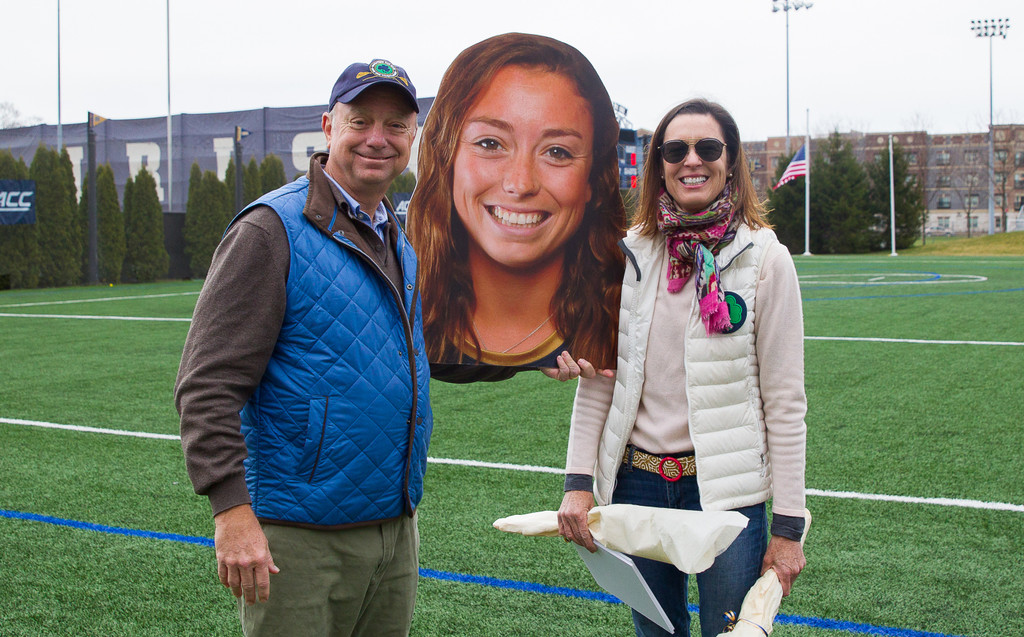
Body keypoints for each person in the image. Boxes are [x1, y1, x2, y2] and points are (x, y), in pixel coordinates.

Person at [174, 59, 430, 637]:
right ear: (328, 126)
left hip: (393, 526)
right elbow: (206, 385)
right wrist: (232, 512)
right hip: (298, 534)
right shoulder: (271, 228)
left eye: (395, 125)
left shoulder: (396, 230)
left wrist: (533, 355)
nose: (377, 138)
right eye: (359, 120)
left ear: (412, 136)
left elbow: (412, 354)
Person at [557, 98, 807, 637]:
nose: (691, 160)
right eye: (676, 150)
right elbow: (599, 382)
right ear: (659, 165)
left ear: (730, 159)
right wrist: (578, 482)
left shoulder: (765, 259)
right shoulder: (627, 254)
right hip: (638, 486)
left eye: (707, 147)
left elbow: (786, 403)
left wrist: (789, 529)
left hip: (725, 497)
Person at [407, 33, 625, 373]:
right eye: (491, 143)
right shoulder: (394, 304)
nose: (520, 184)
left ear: (592, 181)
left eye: (557, 152)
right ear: (446, 158)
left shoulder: (632, 311)